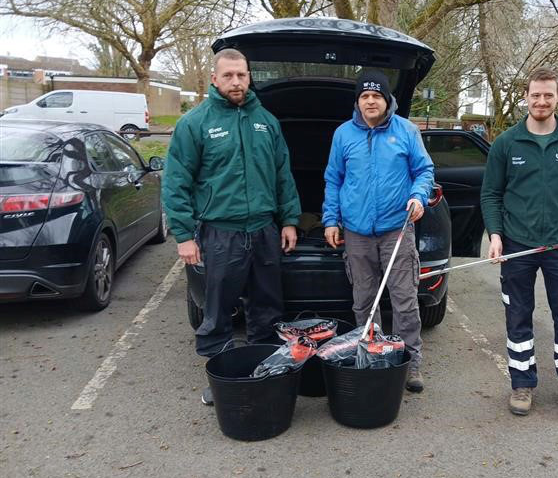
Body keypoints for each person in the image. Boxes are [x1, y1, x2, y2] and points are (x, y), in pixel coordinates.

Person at [162, 48, 301, 406]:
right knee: (218, 312)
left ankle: (263, 374)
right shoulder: (195, 123)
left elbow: (282, 174)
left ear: (249, 77)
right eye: (228, 75)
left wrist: (289, 220)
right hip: (220, 232)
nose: (236, 82)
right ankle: (223, 381)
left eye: (241, 75)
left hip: (264, 230)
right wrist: (183, 236)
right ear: (215, 79)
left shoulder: (266, 122)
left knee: (267, 308)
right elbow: (176, 182)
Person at [480, 67, 558, 415]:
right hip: (516, 245)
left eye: (548, 95)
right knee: (518, 315)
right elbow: (491, 194)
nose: (541, 101)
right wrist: (495, 235)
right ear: (526, 97)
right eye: (535, 95)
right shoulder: (507, 143)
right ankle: (522, 384)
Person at [322, 69, 434, 392]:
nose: (370, 101)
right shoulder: (343, 135)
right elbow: (334, 179)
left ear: (387, 100)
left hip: (396, 230)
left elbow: (424, 171)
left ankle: (409, 363)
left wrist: (418, 196)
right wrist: (331, 220)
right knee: (364, 301)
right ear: (358, 101)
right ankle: (372, 356)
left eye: (376, 96)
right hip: (356, 233)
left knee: (404, 301)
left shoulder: (407, 131)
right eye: (365, 96)